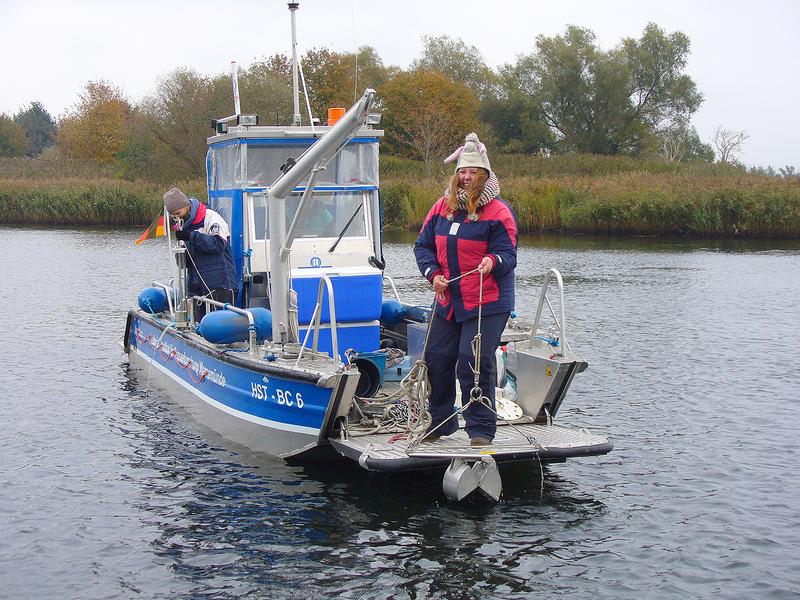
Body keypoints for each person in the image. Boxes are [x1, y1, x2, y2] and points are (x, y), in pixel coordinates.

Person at [413, 133, 517, 446]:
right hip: (448, 297)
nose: (466, 177)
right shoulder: (441, 208)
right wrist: (433, 275)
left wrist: (492, 260)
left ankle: (481, 429)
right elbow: (423, 247)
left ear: (484, 176)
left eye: (472, 172)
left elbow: (508, 255)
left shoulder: (499, 212)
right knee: (437, 356)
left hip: (488, 300)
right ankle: (442, 420)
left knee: (472, 360)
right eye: (462, 171)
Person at [163, 187, 238, 322]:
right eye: (173, 216)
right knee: (201, 326)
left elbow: (218, 245)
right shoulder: (183, 226)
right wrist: (180, 252)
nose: (177, 217)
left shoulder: (210, 217)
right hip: (198, 288)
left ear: (186, 205)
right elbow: (184, 264)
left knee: (221, 326)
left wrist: (192, 236)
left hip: (220, 286)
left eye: (178, 213)